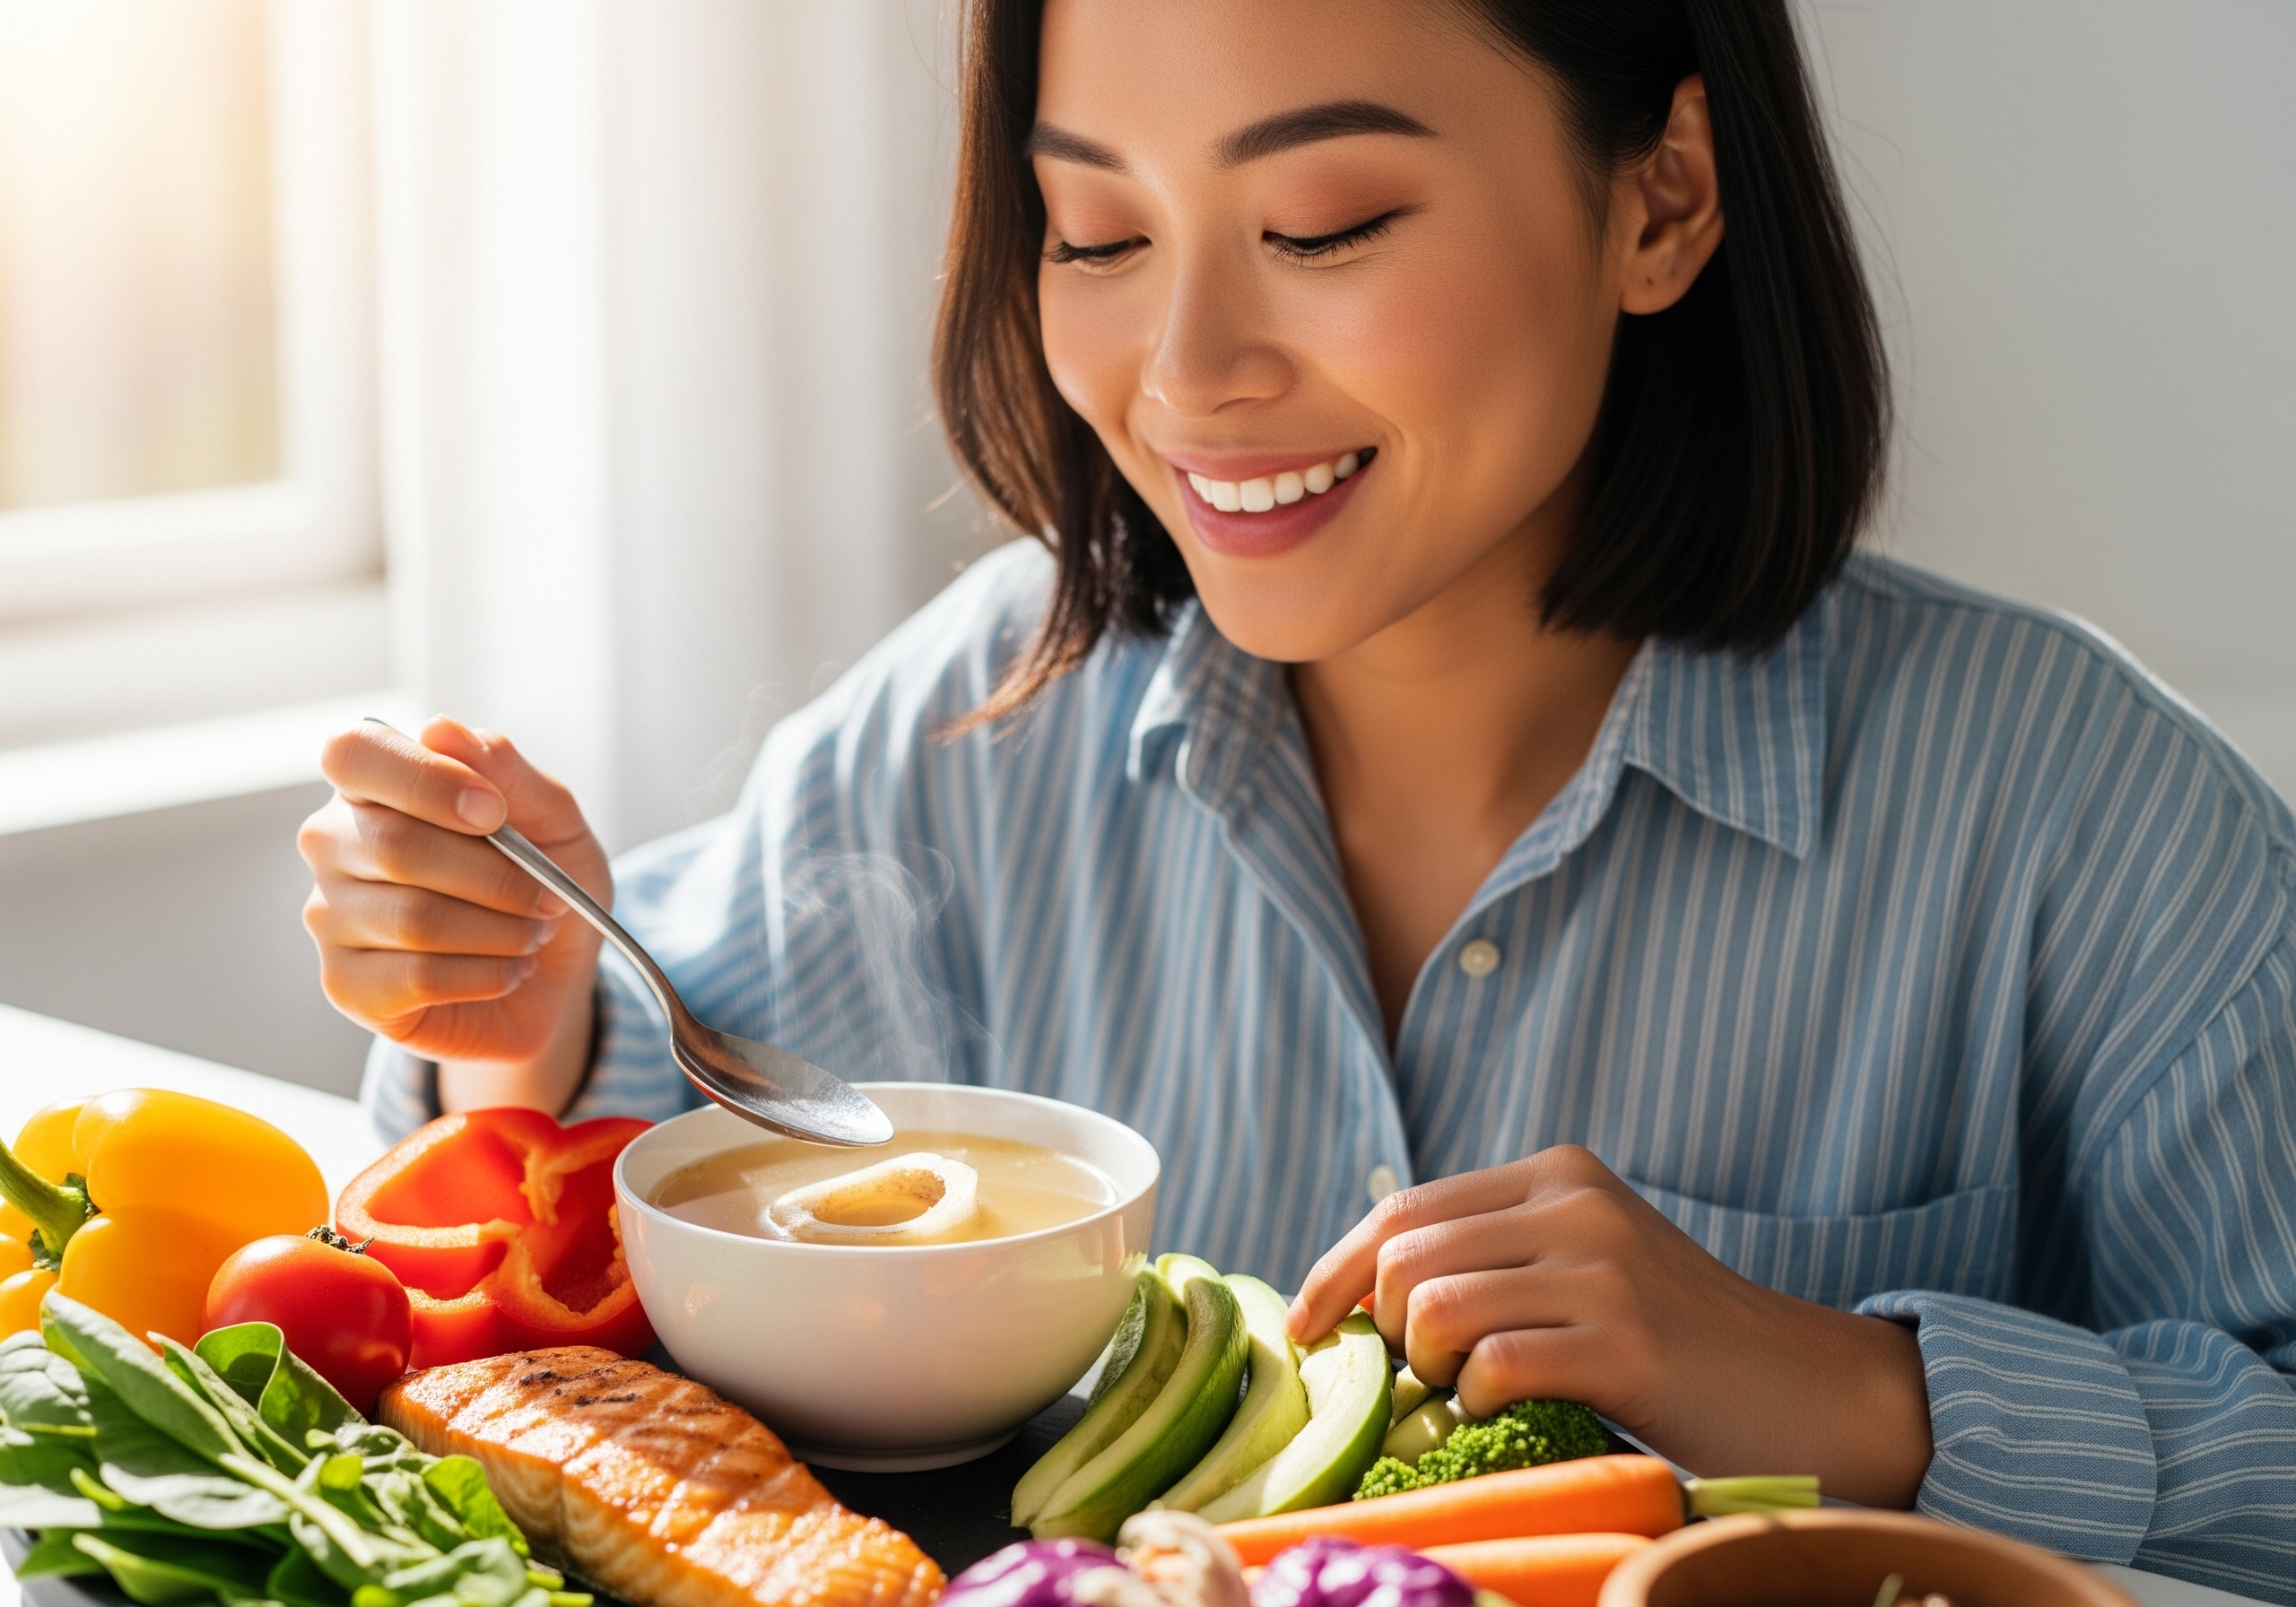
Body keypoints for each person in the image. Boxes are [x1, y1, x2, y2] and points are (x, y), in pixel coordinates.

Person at [297, 0, 2296, 1595]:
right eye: (1093, 233)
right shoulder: (971, 732)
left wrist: (1872, 1387)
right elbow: (605, 1215)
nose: (1184, 367)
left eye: (1322, 222)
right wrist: (522, 1009)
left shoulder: (2084, 817)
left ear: (1661, 199)